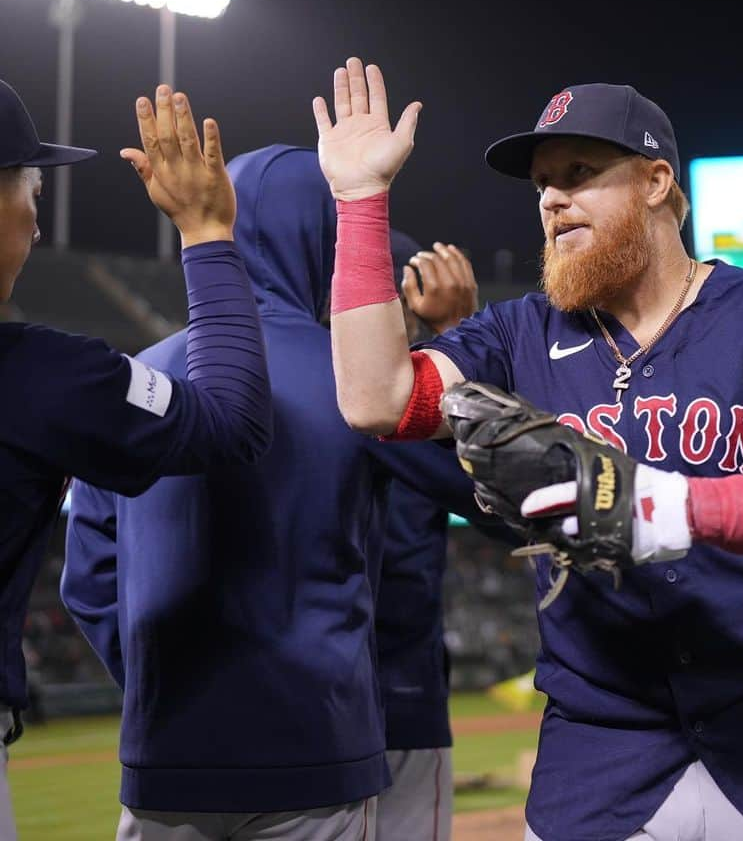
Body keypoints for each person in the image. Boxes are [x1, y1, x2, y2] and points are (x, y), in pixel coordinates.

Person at [311, 59, 743, 841]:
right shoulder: (521, 331)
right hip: (601, 740)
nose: (553, 198)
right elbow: (374, 398)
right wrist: (360, 203)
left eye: (580, 173)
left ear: (657, 180)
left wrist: (667, 508)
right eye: (542, 186)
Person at [62, 146, 479, 841]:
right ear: (325, 242)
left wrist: (160, 686)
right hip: (317, 747)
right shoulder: (362, 382)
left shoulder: (138, 373)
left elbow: (88, 576)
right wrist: (456, 343)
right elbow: (486, 492)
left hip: (167, 752)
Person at [0, 80, 273, 840]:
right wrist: (206, 232)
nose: (33, 211)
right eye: (27, 188)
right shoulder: (37, 374)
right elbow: (233, 425)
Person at [370, 234, 479, 841]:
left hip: (264, 702)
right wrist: (457, 336)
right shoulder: (395, 418)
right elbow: (503, 497)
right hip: (400, 693)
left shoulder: (257, 378)